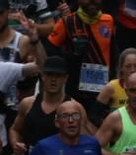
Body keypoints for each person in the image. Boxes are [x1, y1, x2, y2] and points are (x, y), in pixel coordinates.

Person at [45, 0, 117, 129]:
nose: (92, 2)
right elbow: (50, 49)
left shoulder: (109, 20)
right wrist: (71, 57)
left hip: (103, 90)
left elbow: (113, 53)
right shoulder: (68, 22)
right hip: (77, 91)